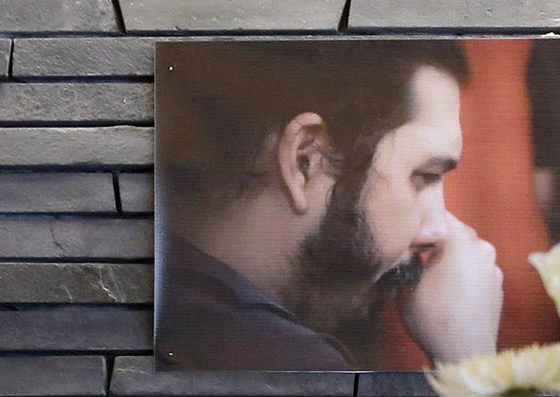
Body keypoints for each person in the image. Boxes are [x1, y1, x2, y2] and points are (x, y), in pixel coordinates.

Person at [155, 40, 504, 371]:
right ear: (305, 159)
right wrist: (471, 366)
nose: (437, 231)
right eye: (424, 175)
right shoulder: (291, 368)